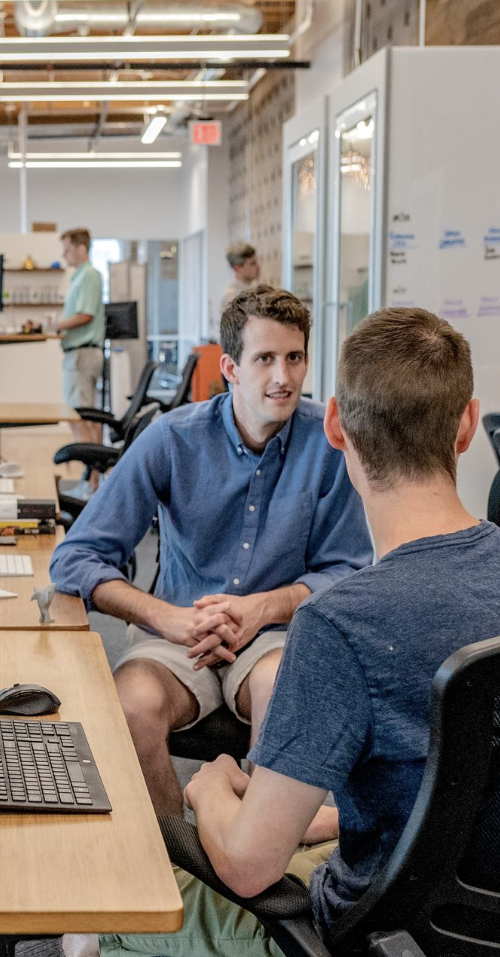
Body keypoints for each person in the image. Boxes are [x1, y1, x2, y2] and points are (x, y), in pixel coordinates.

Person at [61, 307, 500, 957]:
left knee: (90, 925)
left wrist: (212, 790)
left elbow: (246, 868)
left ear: (338, 425)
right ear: (467, 427)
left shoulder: (342, 625)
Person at [50, 286, 372, 816]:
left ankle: (255, 858)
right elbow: (75, 558)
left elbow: (350, 571)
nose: (283, 378)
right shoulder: (171, 439)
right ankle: (178, 858)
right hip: (178, 633)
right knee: (130, 707)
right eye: (264, 359)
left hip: (275, 636)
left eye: (294, 358)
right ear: (230, 367)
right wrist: (167, 618)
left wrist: (263, 608)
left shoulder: (331, 443)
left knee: (285, 696)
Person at [49, 228, 106, 446]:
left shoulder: (89, 275)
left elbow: (86, 315)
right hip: (77, 354)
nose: (64, 255)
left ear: (82, 248)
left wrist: (55, 325)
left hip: (83, 353)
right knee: (79, 415)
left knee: (82, 417)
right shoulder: (79, 276)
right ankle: (91, 473)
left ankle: (92, 476)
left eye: (68, 250)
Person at [219, 241, 261, 316]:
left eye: (257, 262)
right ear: (237, 268)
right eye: (252, 263)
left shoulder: (257, 288)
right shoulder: (230, 297)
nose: (258, 267)